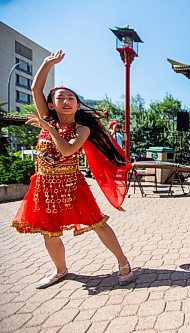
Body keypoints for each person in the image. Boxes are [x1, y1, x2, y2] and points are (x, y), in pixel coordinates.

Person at [12, 50, 134, 289]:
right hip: (44, 186)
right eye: (61, 98)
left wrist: (48, 127)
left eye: (71, 98)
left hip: (71, 185)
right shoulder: (48, 118)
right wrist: (47, 63)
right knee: (48, 232)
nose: (66, 101)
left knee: (98, 224)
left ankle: (124, 263)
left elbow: (67, 151)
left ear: (77, 104)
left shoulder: (82, 129)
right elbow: (36, 89)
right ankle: (61, 270)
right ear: (51, 104)